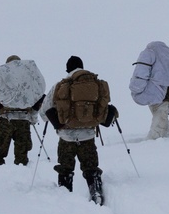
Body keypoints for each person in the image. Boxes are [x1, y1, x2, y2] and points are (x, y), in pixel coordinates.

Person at [41, 55, 117, 205]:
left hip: (66, 137)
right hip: (88, 135)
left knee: (65, 169)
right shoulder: (95, 84)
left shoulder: (60, 85)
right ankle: (96, 192)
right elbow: (103, 108)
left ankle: (66, 198)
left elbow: (44, 111)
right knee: (91, 168)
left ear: (67, 69)